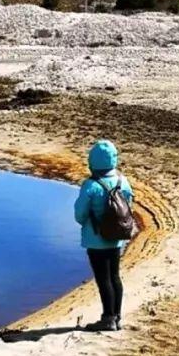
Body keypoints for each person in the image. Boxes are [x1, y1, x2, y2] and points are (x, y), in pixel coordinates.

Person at [73, 140, 133, 331]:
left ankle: (107, 319)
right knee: (115, 277)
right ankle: (117, 317)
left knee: (103, 279)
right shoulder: (122, 181)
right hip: (116, 238)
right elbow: (128, 207)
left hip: (95, 240)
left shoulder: (90, 185)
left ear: (92, 161)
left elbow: (79, 215)